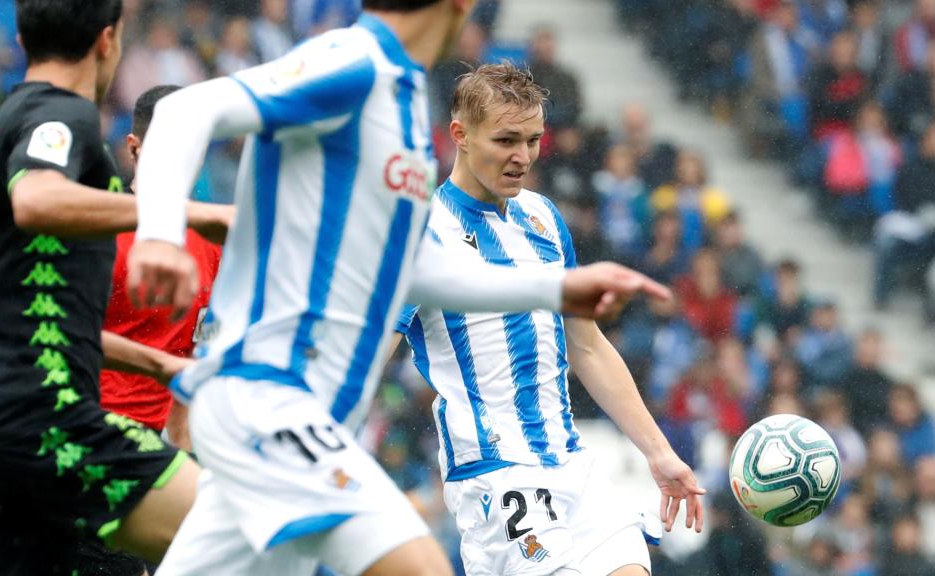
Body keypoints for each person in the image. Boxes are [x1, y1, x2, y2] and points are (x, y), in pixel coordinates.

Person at [128, 1, 674, 574]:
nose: (524, 156)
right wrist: (160, 234)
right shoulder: (353, 63)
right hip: (270, 400)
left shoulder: (405, 96)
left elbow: (416, 270)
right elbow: (185, 112)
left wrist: (557, 292)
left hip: (286, 414)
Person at [0, 1, 229, 573]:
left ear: (21, 39)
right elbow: (36, 198)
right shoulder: (63, 118)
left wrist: (160, 367)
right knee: (238, 534)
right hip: (50, 421)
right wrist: (177, 213)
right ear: (108, 41)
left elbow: (50, 318)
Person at [395, 64, 704, 576]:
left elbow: (585, 345)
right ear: (460, 136)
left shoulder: (540, 216)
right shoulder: (421, 230)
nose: (523, 157)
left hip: (570, 465)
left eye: (534, 139)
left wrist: (659, 453)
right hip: (496, 478)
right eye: (507, 140)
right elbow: (368, 350)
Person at [100, 85, 223, 451]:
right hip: (86, 433)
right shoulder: (99, 234)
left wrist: (186, 456)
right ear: (134, 148)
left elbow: (195, 356)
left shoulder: (212, 246)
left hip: (154, 450)